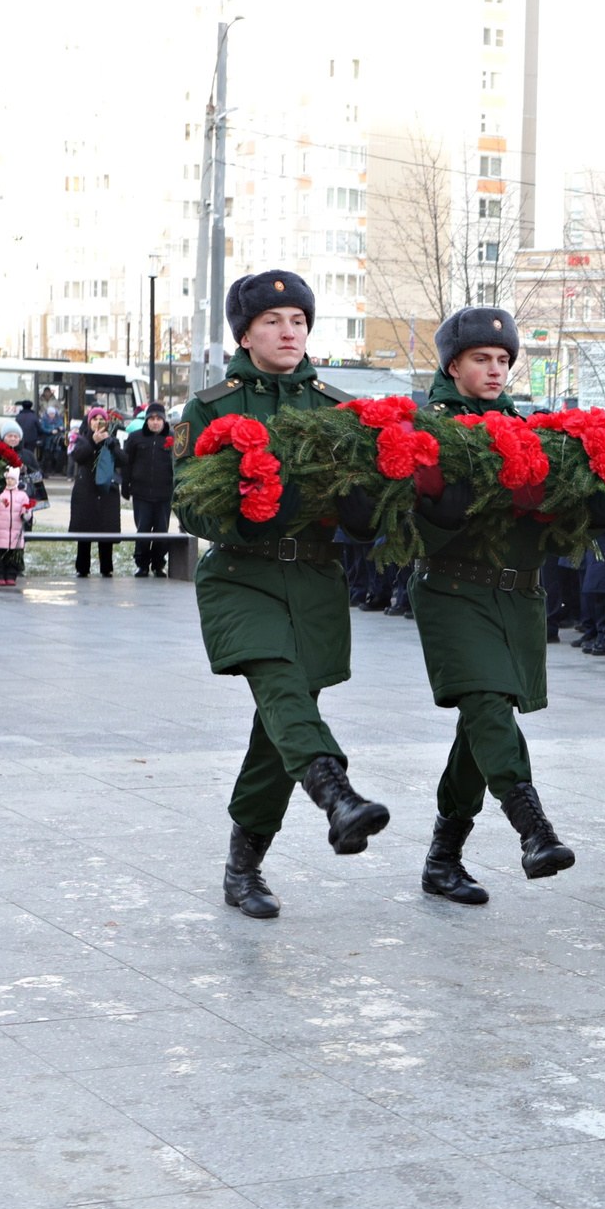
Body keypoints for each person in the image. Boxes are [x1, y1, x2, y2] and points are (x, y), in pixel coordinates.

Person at [174, 269, 389, 919]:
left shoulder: (336, 407)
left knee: (279, 729)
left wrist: (373, 491)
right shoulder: (213, 406)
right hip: (242, 576)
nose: (289, 330)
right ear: (245, 332)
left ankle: (244, 868)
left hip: (315, 580)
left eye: (298, 320)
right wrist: (247, 504)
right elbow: (191, 502)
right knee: (281, 689)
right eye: (273, 321)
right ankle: (337, 795)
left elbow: (365, 516)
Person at [407, 306, 595, 902]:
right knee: (487, 704)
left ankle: (443, 857)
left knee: (479, 725)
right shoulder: (431, 427)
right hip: (454, 588)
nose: (495, 370)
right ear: (453, 364)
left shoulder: (533, 432)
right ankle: (531, 825)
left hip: (518, 596)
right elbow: (412, 524)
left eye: (503, 360)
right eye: (481, 359)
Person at [68, 406, 124, 577]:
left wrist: (111, 444)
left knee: (105, 529)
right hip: (86, 491)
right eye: (94, 419)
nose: (98, 422)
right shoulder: (81, 439)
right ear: (89, 421)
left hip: (106, 490)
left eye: (101, 419)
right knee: (85, 530)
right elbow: (77, 456)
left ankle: (106, 568)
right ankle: (82, 568)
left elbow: (123, 460)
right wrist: (93, 441)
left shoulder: (112, 439)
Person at [125, 405, 176, 576]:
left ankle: (158, 564)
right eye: (151, 419)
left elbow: (179, 465)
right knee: (143, 530)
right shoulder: (135, 438)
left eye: (158, 419)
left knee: (162, 530)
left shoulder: (173, 438)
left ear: (164, 420)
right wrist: (125, 485)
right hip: (141, 493)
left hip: (164, 494)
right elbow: (127, 463)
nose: (155, 423)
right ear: (146, 420)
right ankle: (142, 564)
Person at [0, 447, 32, 587]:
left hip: (15, 532)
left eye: (12, 479)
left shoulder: (22, 495)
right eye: (7, 479)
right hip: (0, 532)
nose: (9, 482)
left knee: (13, 557)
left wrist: (26, 514)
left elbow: (26, 508)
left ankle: (11, 575)